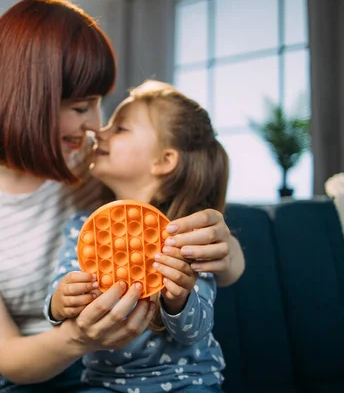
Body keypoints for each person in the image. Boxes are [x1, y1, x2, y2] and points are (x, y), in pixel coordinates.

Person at [0, 0, 244, 391]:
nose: (95, 127)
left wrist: (223, 249)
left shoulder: (91, 163)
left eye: (100, 106)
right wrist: (75, 330)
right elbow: (10, 353)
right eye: (82, 107)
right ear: (27, 102)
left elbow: (215, 269)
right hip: (41, 368)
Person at [46, 80, 229, 392]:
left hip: (187, 383)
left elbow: (194, 331)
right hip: (103, 384)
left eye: (120, 128)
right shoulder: (83, 226)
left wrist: (178, 298)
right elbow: (60, 296)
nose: (98, 132)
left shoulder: (189, 233)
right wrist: (59, 303)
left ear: (164, 161)